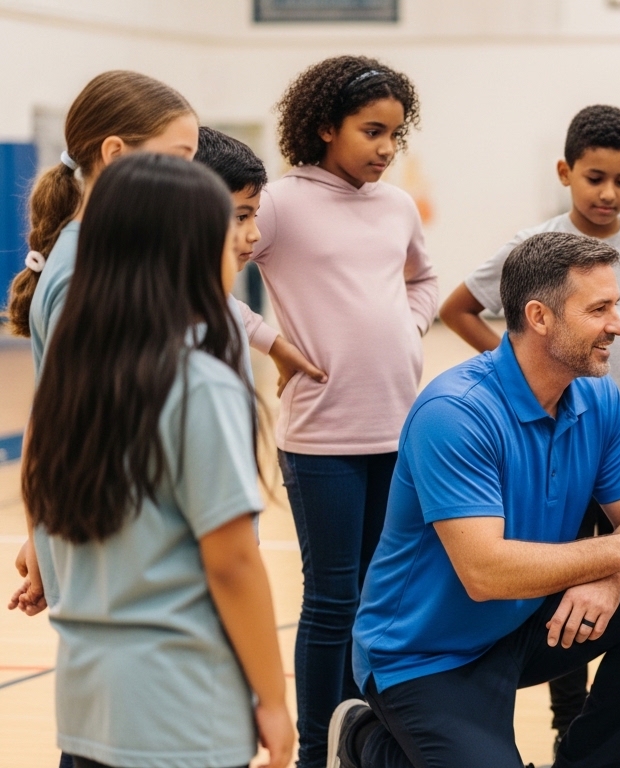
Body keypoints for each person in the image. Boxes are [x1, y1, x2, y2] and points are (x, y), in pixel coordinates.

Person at [329, 232, 620, 768]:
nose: (619, 325)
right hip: (426, 654)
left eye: (616, 305)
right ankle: (363, 738)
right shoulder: (455, 413)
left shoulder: (597, 394)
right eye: (599, 309)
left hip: (522, 625)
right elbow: (485, 572)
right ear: (540, 317)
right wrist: (617, 555)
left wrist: (610, 580)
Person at [438, 104, 620, 767]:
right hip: (550, 444)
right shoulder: (533, 247)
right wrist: (517, 372)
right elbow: (457, 307)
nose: (608, 194)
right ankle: (569, 719)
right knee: (560, 578)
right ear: (566, 172)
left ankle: (613, 730)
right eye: (595, 178)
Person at [20, 152, 293, 768]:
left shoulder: (72, 373)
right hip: (180, 706)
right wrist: (273, 700)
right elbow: (232, 562)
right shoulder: (199, 382)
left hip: (88, 702)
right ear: (189, 252)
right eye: (228, 234)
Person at [251, 55, 439, 767]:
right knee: (332, 599)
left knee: (383, 597)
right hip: (321, 439)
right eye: (371, 132)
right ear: (325, 127)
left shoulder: (395, 206)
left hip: (399, 431)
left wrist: (411, 324)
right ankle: (312, 750)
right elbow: (201, 280)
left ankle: (367, 736)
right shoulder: (279, 202)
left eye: (395, 134)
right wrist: (272, 342)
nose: (386, 148)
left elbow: (426, 279)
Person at [194, 126, 326, 390]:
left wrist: (273, 344)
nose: (255, 234)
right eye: (241, 217)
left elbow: (231, 306)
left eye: (254, 216)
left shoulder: (212, 298)